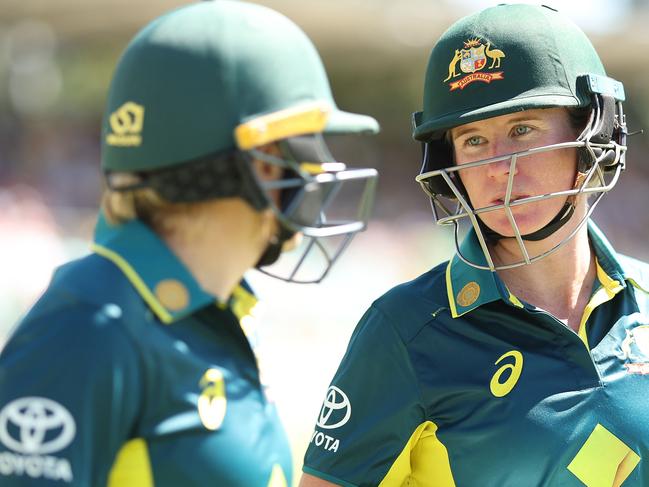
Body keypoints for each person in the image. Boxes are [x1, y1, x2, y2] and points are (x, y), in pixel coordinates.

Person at [0, 1, 379, 485]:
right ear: (254, 165)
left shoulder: (222, 312)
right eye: (300, 148)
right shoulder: (90, 323)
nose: (317, 172)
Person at [300, 4, 649, 486]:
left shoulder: (646, 299)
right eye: (473, 140)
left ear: (592, 132)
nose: (497, 167)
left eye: (522, 130)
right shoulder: (404, 332)